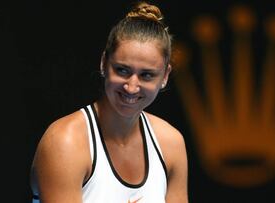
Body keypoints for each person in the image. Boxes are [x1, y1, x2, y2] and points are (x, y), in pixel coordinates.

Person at [30, 1, 188, 202]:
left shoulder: (171, 143)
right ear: (104, 63)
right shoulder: (64, 142)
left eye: (146, 75)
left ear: (165, 76)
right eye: (122, 70)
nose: (131, 87)